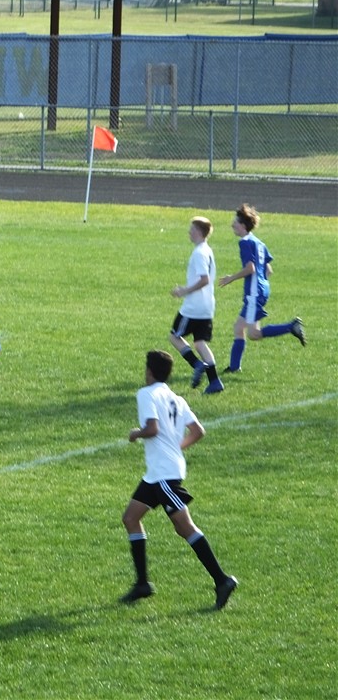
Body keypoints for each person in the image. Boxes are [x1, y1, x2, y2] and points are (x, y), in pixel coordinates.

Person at [120, 350, 238, 610]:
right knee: (130, 518)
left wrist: (136, 434)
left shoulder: (146, 394)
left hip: (164, 475)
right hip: (158, 474)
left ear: (149, 371)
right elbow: (198, 431)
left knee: (185, 527)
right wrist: (176, 448)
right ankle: (142, 584)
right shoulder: (176, 398)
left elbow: (152, 429)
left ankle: (222, 580)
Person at [217, 203, 305, 373]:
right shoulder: (259, 242)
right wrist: (260, 283)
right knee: (238, 328)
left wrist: (231, 278)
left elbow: (250, 268)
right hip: (262, 289)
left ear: (243, 225)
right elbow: (268, 269)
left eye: (235, 222)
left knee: (253, 334)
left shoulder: (245, 243)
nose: (232, 225)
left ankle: (291, 327)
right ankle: (234, 367)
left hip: (254, 292)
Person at [168, 216, 224, 394]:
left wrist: (184, 290)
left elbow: (204, 279)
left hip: (193, 307)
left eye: (191, 229)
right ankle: (215, 382)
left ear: (199, 232)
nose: (189, 232)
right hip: (207, 306)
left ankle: (197, 364)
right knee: (200, 343)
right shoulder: (207, 250)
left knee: (174, 337)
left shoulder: (199, 253)